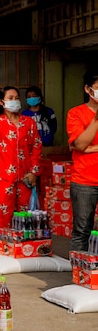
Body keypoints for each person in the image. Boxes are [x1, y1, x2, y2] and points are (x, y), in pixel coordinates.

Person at [0, 86, 42, 229]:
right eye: (10, 98)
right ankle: (4, 248)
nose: (15, 101)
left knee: (26, 219)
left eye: (17, 98)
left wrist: (34, 172)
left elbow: (36, 146)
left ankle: (24, 248)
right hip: (3, 178)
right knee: (3, 218)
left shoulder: (29, 122)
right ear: (2, 101)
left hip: (25, 178)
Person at [67, 70, 98, 252]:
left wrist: (89, 149)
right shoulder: (76, 113)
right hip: (84, 182)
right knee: (82, 230)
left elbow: (84, 146)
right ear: (88, 89)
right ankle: (79, 273)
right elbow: (80, 143)